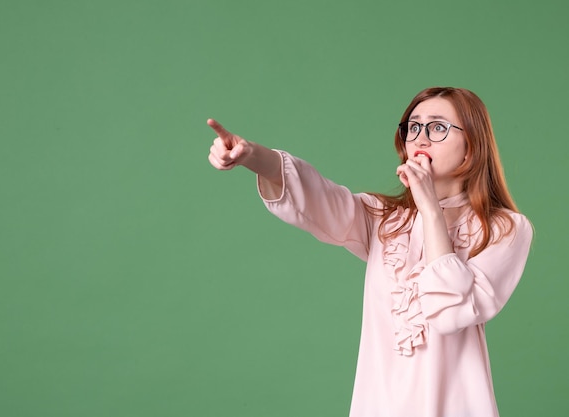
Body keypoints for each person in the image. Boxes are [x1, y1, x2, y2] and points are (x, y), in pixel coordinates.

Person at [207, 87, 533, 417]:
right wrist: (251, 156)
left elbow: (449, 314)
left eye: (437, 127)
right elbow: (319, 198)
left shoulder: (505, 229)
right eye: (413, 127)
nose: (420, 138)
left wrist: (431, 210)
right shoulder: (383, 219)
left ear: (471, 149)